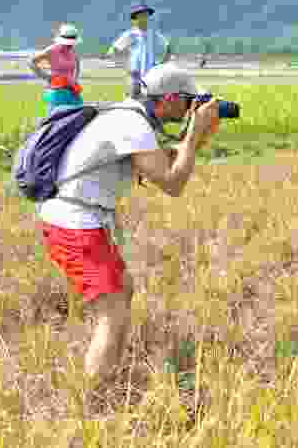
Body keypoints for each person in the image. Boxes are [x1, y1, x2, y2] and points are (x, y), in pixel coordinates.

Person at [35, 63, 218, 389]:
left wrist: (197, 136)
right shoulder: (132, 125)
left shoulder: (130, 118)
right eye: (188, 101)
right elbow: (173, 183)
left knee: (122, 289)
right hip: (76, 225)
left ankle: (103, 377)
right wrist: (194, 135)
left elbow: (164, 161)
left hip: (81, 221)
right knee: (114, 312)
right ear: (171, 99)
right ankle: (91, 395)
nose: (191, 108)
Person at [105, 4, 170, 99]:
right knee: (133, 103)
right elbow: (112, 52)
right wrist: (127, 68)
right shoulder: (130, 34)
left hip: (151, 76)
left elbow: (168, 47)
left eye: (146, 15)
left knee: (152, 104)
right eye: (142, 15)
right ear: (136, 18)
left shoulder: (153, 33)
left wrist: (160, 65)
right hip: (135, 77)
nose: (145, 18)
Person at [28, 23, 84, 116]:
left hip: (72, 91)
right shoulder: (52, 50)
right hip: (57, 91)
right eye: (68, 43)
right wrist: (46, 76)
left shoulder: (72, 50)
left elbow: (77, 65)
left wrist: (75, 79)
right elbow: (31, 62)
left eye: (72, 43)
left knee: (78, 117)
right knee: (56, 119)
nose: (70, 45)